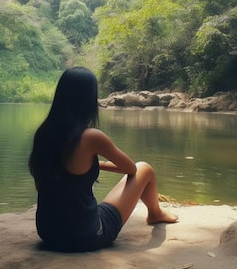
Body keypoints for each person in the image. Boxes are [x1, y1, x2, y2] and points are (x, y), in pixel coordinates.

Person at [29, 66, 178, 252]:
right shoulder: (91, 137)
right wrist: (99, 164)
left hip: (48, 233)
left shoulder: (43, 134)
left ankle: (155, 213)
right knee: (144, 168)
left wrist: (94, 163)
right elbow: (131, 169)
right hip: (84, 236)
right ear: (89, 100)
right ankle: (155, 213)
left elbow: (53, 179)